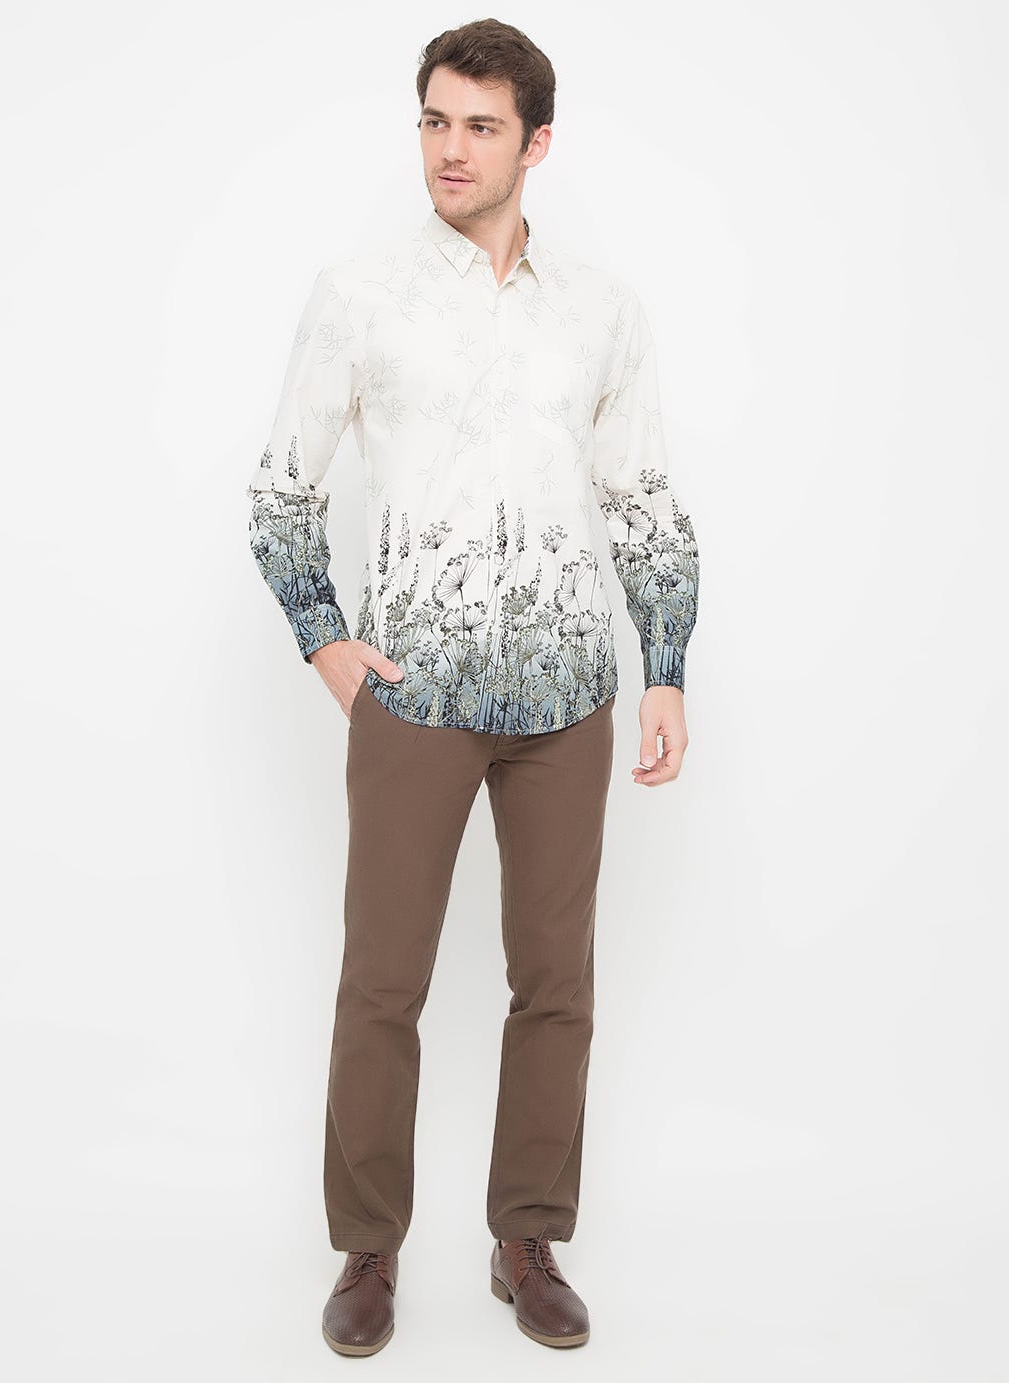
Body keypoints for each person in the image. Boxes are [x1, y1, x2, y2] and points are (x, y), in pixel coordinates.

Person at [245, 18, 699, 1356]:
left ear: (535, 144)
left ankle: (527, 1237)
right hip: (414, 695)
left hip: (568, 696)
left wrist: (666, 665)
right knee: (382, 980)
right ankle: (368, 1248)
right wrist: (327, 641)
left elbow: (643, 496)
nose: (450, 149)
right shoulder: (360, 295)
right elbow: (281, 488)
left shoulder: (603, 311)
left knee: (556, 980)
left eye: (480, 127)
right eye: (436, 121)